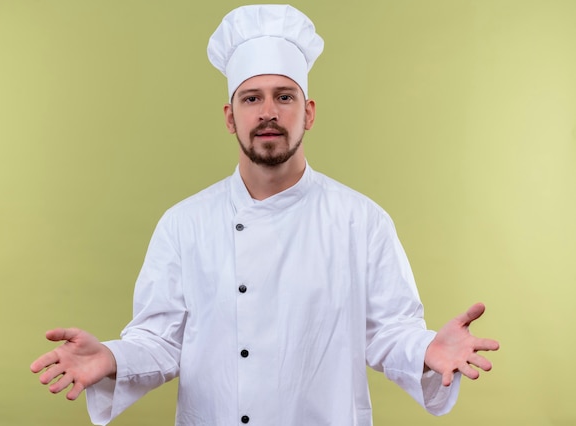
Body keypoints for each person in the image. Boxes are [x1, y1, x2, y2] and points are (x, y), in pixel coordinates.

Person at [30, 4, 499, 425]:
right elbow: (160, 340)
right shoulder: (184, 224)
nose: (268, 112)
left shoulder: (362, 221)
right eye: (251, 98)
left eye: (284, 96)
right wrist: (111, 357)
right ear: (230, 117)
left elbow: (390, 332)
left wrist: (427, 349)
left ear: (309, 112)